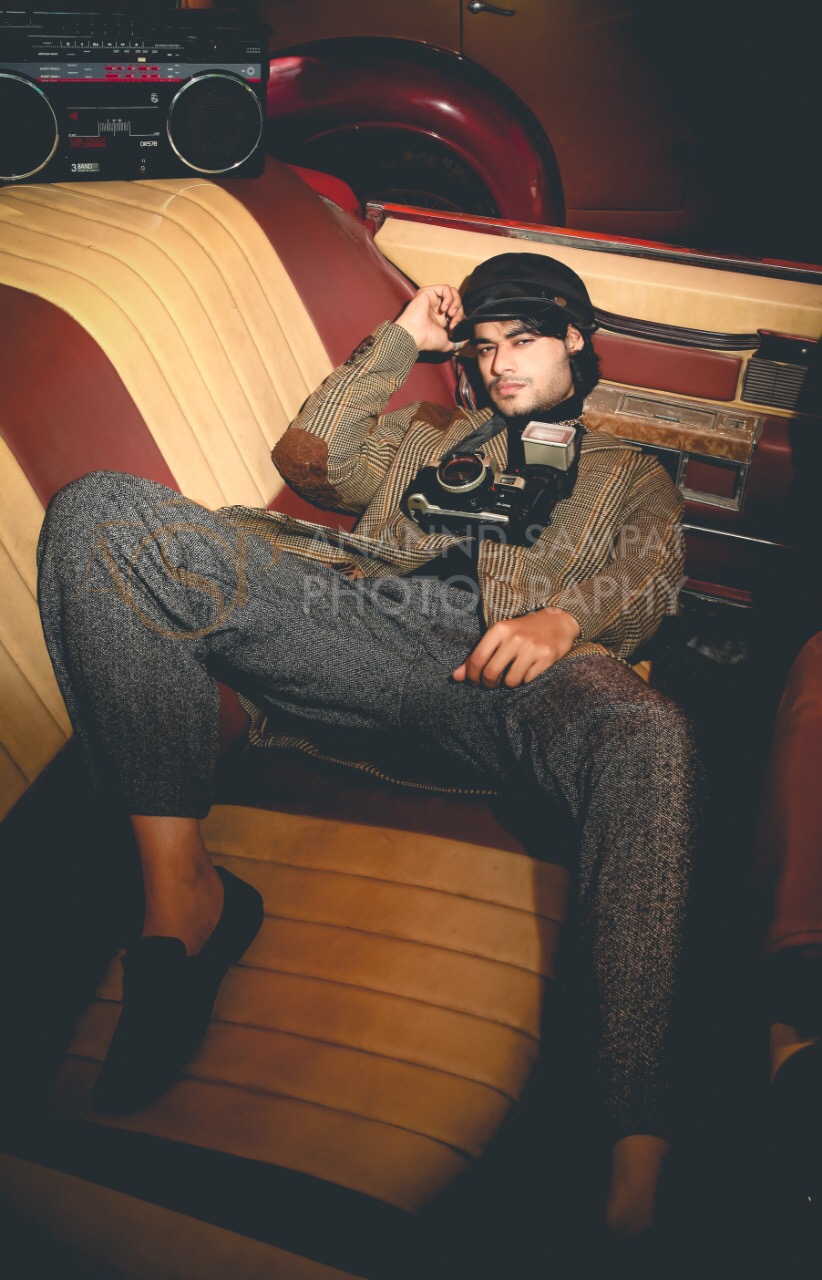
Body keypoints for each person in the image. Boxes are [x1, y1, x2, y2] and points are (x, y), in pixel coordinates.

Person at [37, 252, 699, 1238]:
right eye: (483, 346)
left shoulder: (630, 472)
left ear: (575, 339)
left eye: (523, 340)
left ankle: (635, 1145)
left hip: (509, 671)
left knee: (648, 730)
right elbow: (309, 457)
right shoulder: (426, 430)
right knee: (99, 508)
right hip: (350, 627)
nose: (499, 363)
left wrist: (565, 620)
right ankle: (185, 906)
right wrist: (401, 341)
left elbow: (652, 571)